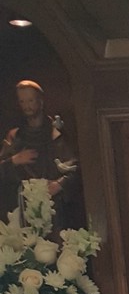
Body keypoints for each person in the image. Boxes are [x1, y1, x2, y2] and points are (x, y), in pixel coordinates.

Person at [0, 80, 79, 222]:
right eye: (22, 101)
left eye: (30, 100)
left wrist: (59, 184)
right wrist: (14, 160)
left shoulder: (56, 134)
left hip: (54, 208)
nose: (27, 106)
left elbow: (75, 168)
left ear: (40, 101)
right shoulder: (14, 136)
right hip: (22, 209)